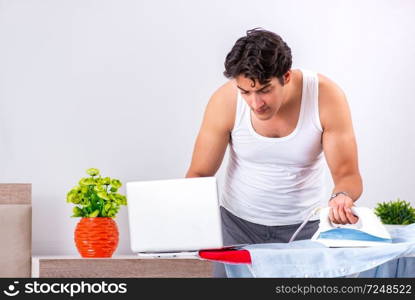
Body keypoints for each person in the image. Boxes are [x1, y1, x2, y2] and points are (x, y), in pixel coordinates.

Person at [185, 28, 363, 277]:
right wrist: (187, 226)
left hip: (305, 230)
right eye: (246, 92)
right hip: (236, 227)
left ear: (286, 76)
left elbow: (347, 175)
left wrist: (342, 197)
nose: (255, 104)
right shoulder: (225, 101)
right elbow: (199, 173)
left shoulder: (325, 97)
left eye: (265, 90)